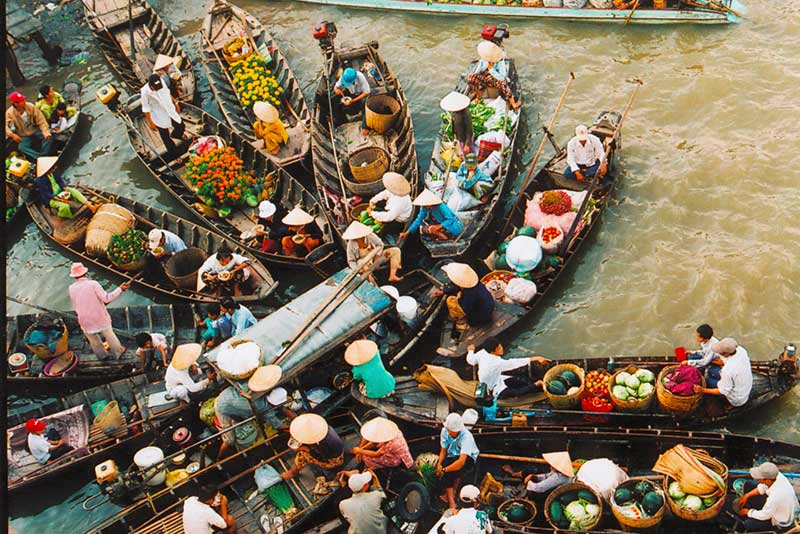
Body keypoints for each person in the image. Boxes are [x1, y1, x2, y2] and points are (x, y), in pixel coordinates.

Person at [68, 262, 130, 359]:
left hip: (84, 320)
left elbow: (76, 305)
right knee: (110, 336)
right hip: (99, 317)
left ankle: (102, 356)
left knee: (94, 341)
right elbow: (106, 299)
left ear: (74, 276)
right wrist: (120, 289)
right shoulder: (93, 284)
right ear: (85, 273)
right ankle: (117, 353)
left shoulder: (71, 288)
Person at [466, 338, 550, 399]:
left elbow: (470, 360)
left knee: (519, 381)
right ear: (492, 352)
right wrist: (535, 358)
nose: (501, 349)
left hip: (496, 378)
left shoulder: (482, 352)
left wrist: (470, 351)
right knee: (516, 392)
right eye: (498, 348)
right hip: (492, 388)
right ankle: (537, 384)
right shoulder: (496, 363)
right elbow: (514, 363)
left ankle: (535, 385)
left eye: (500, 346)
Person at [736, 461, 799, 532]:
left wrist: (747, 512)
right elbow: (763, 487)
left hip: (780, 520)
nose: (757, 479)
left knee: (748, 524)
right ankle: (752, 510)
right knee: (749, 484)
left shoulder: (775, 496)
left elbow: (765, 515)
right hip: (779, 507)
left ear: (767, 480)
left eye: (759, 478)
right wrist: (746, 496)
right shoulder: (777, 475)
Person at [437, 412, 480, 511]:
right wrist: (439, 465)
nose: (448, 432)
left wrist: (444, 470)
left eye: (450, 430)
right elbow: (443, 450)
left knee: (449, 473)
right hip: (452, 454)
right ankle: (452, 492)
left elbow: (461, 462)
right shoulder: (445, 431)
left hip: (468, 457)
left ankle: (452, 504)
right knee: (447, 466)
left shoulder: (466, 437)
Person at [281, 413, 344, 480]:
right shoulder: (323, 428)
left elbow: (320, 457)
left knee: (303, 454)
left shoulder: (323, 445)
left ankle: (294, 472)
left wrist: (304, 449)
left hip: (333, 460)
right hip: (333, 450)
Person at [694, 337, 753, 407]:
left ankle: (730, 404)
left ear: (726, 354)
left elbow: (722, 391)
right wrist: (723, 363)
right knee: (711, 371)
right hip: (745, 383)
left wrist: (702, 390)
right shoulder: (741, 350)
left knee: (707, 381)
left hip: (738, 398)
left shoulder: (727, 370)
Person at [346, 416, 413, 476]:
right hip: (393, 451)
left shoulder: (391, 444)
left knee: (366, 458)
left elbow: (376, 454)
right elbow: (374, 442)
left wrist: (360, 451)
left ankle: (375, 468)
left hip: (395, 458)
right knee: (366, 450)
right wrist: (360, 449)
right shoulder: (393, 431)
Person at [140, 73, 185, 159]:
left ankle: (176, 135)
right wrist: (150, 122)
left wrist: (175, 103)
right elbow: (145, 108)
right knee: (165, 137)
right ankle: (174, 155)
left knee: (181, 125)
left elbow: (167, 93)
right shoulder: (144, 92)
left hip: (168, 108)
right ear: (150, 85)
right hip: (158, 114)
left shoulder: (162, 82)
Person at [440, 262, 495, 332]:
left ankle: (465, 324)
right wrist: (444, 291)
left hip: (483, 315)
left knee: (450, 300)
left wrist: (459, 298)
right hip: (489, 304)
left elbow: (465, 308)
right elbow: (457, 287)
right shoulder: (476, 283)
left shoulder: (470, 294)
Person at [467, 40, 521, 110]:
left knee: (503, 84)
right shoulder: (484, 59)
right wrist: (476, 76)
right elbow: (479, 69)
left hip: (496, 80)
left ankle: (513, 103)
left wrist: (491, 69)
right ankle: (478, 97)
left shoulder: (500, 62)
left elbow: (502, 77)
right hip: (485, 78)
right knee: (472, 78)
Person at [6, 91, 53, 159]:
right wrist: (12, 135)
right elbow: (5, 127)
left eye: (23, 99)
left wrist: (46, 133)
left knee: (49, 137)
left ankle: (43, 154)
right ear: (15, 104)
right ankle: (40, 157)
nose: (24, 101)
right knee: (22, 147)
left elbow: (41, 121)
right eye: (21, 101)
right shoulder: (9, 113)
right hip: (24, 135)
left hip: (35, 130)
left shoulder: (31, 106)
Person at [506, 451, 575, 497]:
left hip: (555, 494)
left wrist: (528, 482)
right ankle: (513, 474)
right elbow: (546, 476)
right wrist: (533, 476)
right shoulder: (557, 473)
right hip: (551, 487)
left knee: (533, 493)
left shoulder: (559, 477)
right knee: (529, 473)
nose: (550, 466)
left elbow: (539, 488)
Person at [333, 67, 372, 137]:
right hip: (351, 93)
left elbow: (367, 92)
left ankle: (365, 126)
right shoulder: (344, 77)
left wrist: (353, 101)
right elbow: (336, 86)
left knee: (365, 103)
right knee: (335, 99)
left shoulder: (360, 77)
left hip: (361, 94)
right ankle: (340, 120)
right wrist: (336, 90)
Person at [685, 323, 724, 388]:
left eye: (698, 336)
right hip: (708, 358)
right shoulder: (706, 341)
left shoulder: (712, 347)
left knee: (708, 379)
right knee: (690, 357)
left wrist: (688, 363)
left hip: (715, 362)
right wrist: (692, 352)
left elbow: (705, 362)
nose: (696, 337)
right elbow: (704, 352)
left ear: (704, 338)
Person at [440, 91, 474, 158]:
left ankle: (472, 163)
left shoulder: (466, 114)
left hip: (465, 138)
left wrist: (467, 144)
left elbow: (469, 130)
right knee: (464, 152)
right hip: (460, 136)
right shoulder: (455, 112)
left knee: (469, 153)